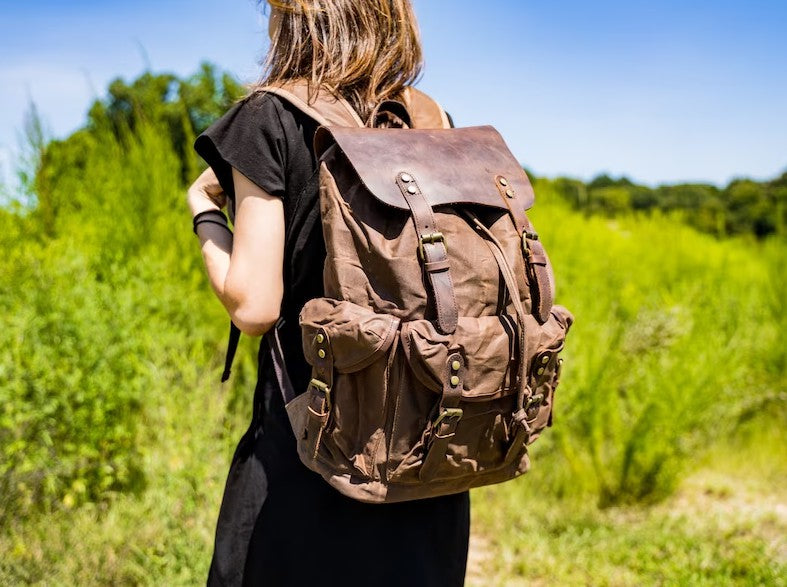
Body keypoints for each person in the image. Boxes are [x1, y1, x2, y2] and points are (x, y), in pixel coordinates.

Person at [187, 1, 470, 585]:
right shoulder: (430, 119)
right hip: (429, 464)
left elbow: (255, 305)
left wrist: (202, 211)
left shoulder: (269, 115)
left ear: (296, 18)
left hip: (309, 465)